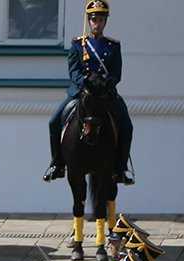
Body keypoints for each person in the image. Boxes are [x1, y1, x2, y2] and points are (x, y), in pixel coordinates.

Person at [44, 0, 133, 184]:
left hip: (105, 94)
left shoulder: (113, 46)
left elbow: (116, 73)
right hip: (81, 93)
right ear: (88, 20)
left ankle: (121, 168)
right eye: (93, 19)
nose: (96, 23)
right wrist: (84, 83)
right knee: (53, 121)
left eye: (100, 19)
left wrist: (106, 84)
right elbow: (73, 70)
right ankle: (57, 164)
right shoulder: (78, 45)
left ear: (105, 22)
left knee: (127, 125)